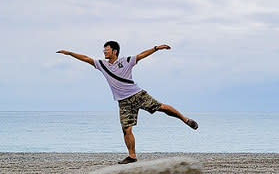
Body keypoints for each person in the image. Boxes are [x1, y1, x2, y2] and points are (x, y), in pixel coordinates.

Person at [57, 40, 198, 163]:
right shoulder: (102, 64)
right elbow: (85, 58)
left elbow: (141, 55)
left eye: (107, 50)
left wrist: (156, 48)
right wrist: (69, 53)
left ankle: (185, 119)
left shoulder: (126, 61)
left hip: (137, 94)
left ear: (114, 51)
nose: (104, 52)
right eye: (104, 50)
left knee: (161, 107)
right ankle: (132, 156)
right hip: (123, 101)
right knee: (126, 129)